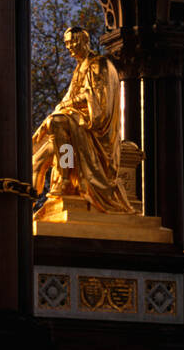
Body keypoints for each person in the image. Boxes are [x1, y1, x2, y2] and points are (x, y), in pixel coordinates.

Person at [32, 26, 132, 214]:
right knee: (49, 131)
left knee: (58, 123)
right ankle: (45, 183)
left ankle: (66, 176)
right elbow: (67, 98)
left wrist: (61, 111)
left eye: (73, 42)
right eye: (67, 43)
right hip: (78, 119)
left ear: (85, 42)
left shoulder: (97, 64)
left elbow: (93, 97)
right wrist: (48, 119)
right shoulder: (79, 68)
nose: (70, 47)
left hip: (94, 126)